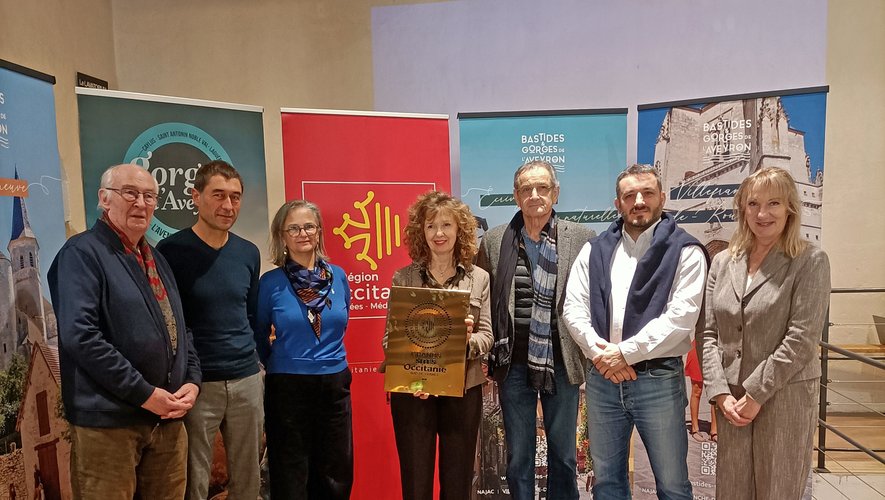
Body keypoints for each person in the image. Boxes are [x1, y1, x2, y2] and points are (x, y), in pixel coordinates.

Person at [48, 163, 201, 498]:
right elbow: (81, 336)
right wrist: (144, 394)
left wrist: (192, 380)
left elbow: (180, 327)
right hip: (110, 424)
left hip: (168, 419)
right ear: (104, 198)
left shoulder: (155, 259)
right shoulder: (81, 254)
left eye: (149, 196)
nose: (141, 203)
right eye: (130, 193)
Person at [563, 163, 707, 500]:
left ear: (662, 198)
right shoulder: (594, 249)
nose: (638, 201)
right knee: (607, 483)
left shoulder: (686, 251)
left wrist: (623, 354)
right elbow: (573, 308)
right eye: (630, 195)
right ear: (618, 203)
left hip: (658, 380)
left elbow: (681, 319)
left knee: (672, 485)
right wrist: (601, 354)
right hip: (603, 380)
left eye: (647, 193)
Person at [701, 166, 830, 499]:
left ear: (790, 208)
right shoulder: (723, 262)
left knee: (778, 490)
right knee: (731, 490)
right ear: (742, 209)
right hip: (731, 403)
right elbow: (709, 335)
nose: (762, 213)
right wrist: (719, 393)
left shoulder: (810, 261)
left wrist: (756, 394)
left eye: (773, 203)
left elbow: (802, 338)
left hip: (784, 397)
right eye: (753, 203)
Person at [476, 160, 593, 500]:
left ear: (555, 193)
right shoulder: (495, 240)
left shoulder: (582, 238)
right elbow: (484, 298)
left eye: (542, 187)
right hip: (512, 363)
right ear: (516, 196)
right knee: (519, 457)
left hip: (562, 361)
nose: (535, 195)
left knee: (564, 456)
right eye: (526, 189)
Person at [156, 161, 263, 499]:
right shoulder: (170, 252)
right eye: (218, 195)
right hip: (197, 385)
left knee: (248, 480)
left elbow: (251, 313)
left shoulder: (248, 253)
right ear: (195, 196)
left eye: (235, 197)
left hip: (247, 379)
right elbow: (168, 322)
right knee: (194, 481)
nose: (228, 205)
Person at [382, 191, 493, 500]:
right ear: (421, 231)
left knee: (457, 484)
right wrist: (417, 378)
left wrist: (467, 340)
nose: (438, 233)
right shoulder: (404, 277)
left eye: (446, 225)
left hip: (463, 390)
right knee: (416, 484)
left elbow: (487, 336)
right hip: (413, 393)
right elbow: (390, 339)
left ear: (460, 230)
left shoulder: (479, 278)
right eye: (431, 226)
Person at [255, 200, 353, 499]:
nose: (303, 234)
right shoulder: (270, 283)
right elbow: (259, 335)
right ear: (282, 236)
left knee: (336, 471)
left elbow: (341, 323)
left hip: (334, 383)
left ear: (319, 231)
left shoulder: (338, 276)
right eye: (294, 228)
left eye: (309, 226)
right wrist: (287, 361)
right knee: (291, 472)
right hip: (288, 387)